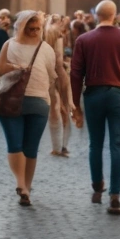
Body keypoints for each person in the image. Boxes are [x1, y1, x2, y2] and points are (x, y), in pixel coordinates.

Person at [70, 0, 120, 215]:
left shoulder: (84, 39)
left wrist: (74, 103)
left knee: (95, 144)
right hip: (119, 94)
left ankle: (97, 187)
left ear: (96, 15)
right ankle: (115, 195)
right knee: (117, 144)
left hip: (94, 94)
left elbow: (76, 73)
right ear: (115, 15)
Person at [0, 11, 57, 206]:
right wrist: (15, 67)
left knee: (27, 148)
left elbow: (51, 77)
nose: (35, 32)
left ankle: (25, 188)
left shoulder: (44, 48)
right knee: (19, 146)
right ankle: (22, 185)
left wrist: (56, 104)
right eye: (32, 29)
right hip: (19, 99)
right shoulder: (11, 45)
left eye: (38, 29)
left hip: (34, 100)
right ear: (22, 27)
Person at [44, 15, 72, 157]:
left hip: (45, 74)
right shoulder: (57, 34)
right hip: (58, 73)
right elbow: (59, 60)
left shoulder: (44, 32)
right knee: (64, 108)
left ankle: (56, 146)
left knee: (53, 110)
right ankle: (62, 146)